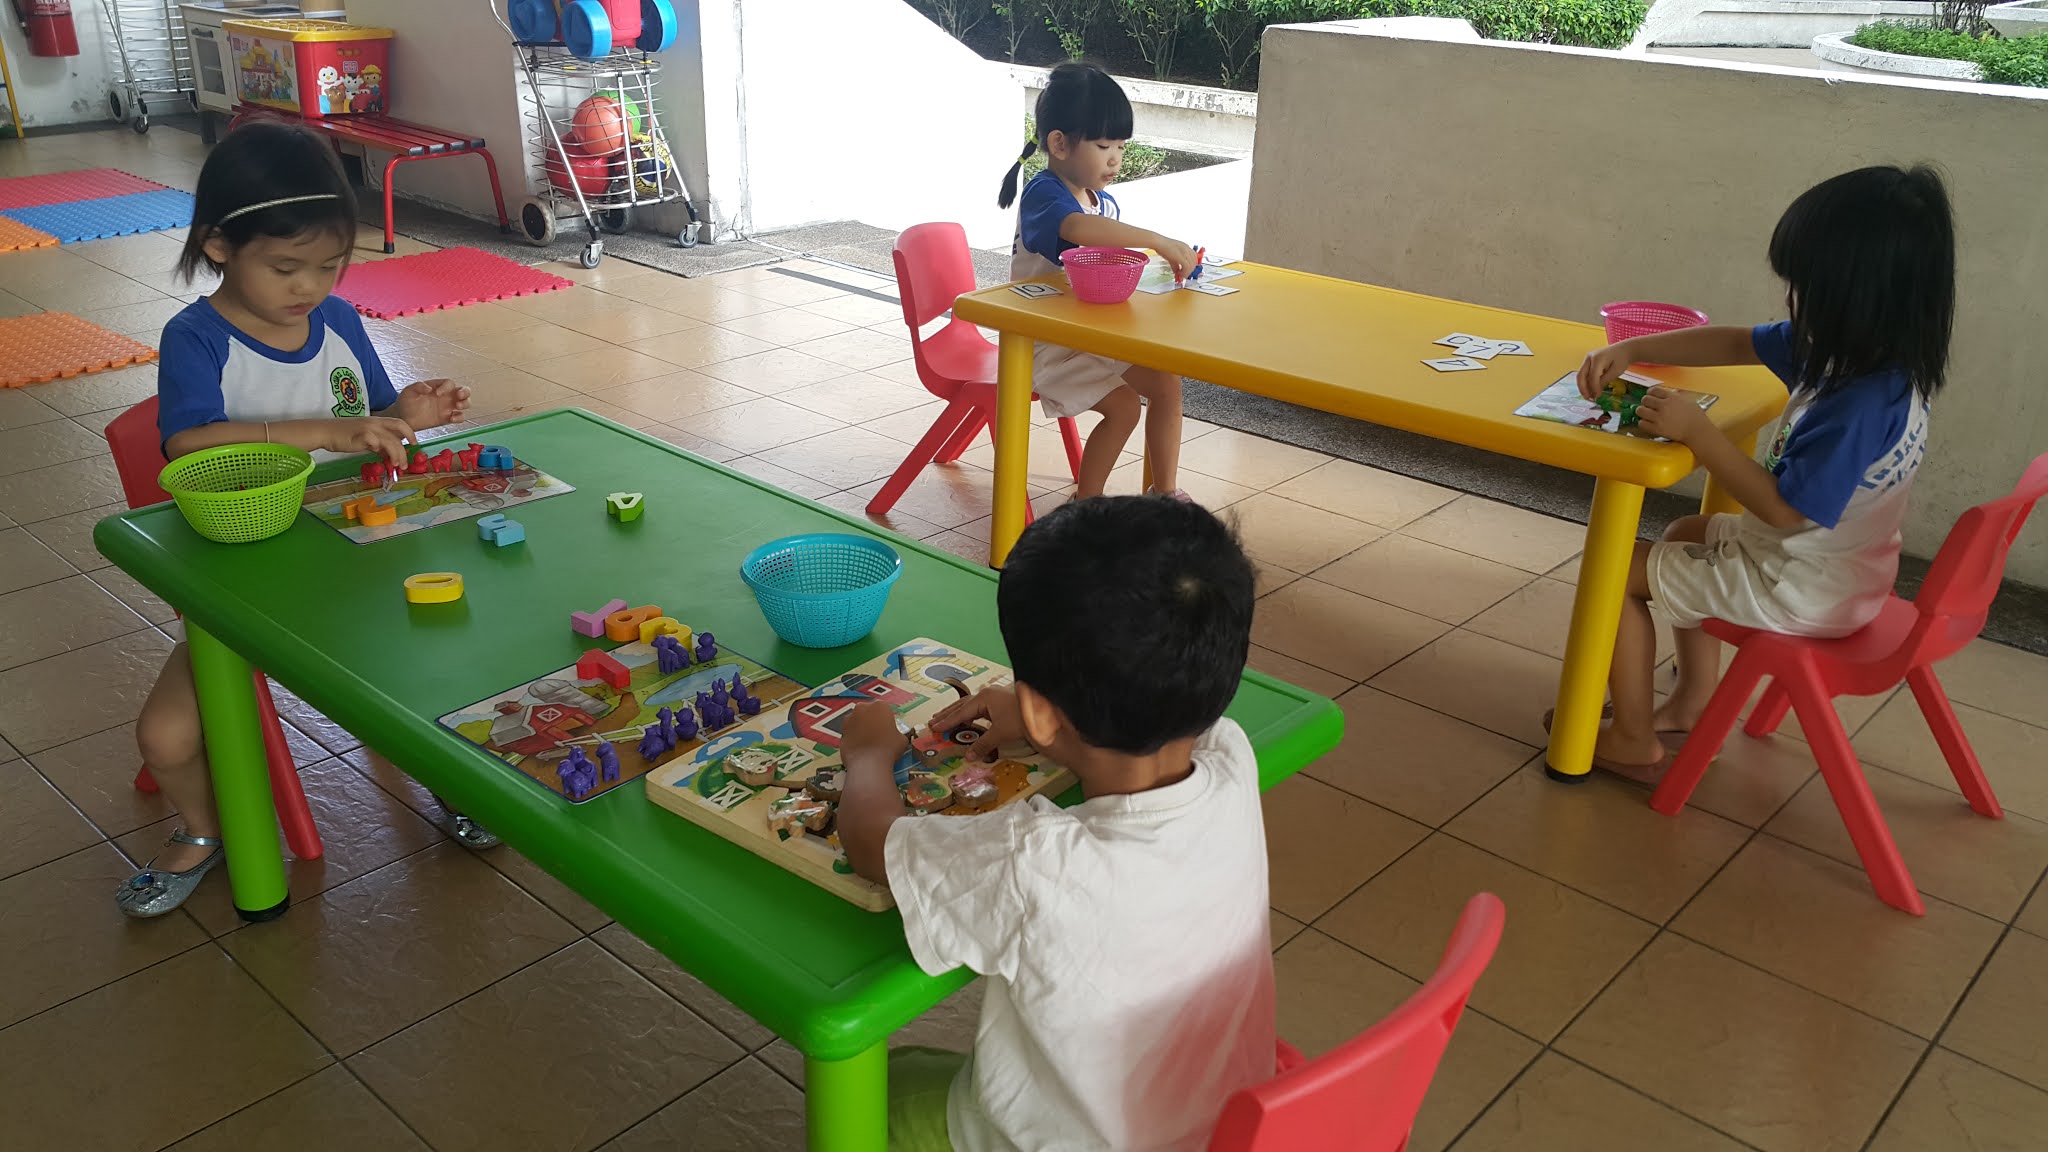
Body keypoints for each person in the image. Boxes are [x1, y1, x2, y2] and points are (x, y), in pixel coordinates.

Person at [119, 121, 492, 919]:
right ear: (219, 245)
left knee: (441, 674)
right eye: (286, 268)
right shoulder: (197, 339)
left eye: (329, 265)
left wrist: (407, 414)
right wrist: (322, 431)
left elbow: (372, 419)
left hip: (357, 567)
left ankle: (454, 780)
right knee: (166, 739)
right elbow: (187, 441)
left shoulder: (341, 322)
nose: (309, 288)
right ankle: (205, 828)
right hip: (243, 580)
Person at [836, 496, 1273, 1151]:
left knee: (880, 1096)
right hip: (1223, 1131)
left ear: (1043, 714)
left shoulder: (1036, 863)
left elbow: (874, 845)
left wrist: (869, 755)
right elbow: (1154, 725)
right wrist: (1043, 716)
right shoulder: (1232, 759)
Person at [1569, 164, 1953, 781]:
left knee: (1613, 571)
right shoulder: (1871, 360)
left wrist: (1698, 432)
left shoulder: (1853, 404)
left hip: (1799, 584)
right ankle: (1693, 702)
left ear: (1856, 295)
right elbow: (1735, 343)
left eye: (1803, 286)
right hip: (1846, 570)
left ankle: (1632, 738)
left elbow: (1783, 510)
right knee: (1686, 532)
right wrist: (1635, 348)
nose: (1790, 299)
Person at [997, 62, 1197, 502]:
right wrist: (1156, 240)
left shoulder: (1101, 201)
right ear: (1059, 144)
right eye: (1104, 145)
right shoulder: (1044, 194)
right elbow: (1078, 230)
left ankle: (1164, 495)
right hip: (1042, 343)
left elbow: (1106, 263)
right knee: (1124, 408)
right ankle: (1086, 506)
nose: (1115, 159)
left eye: (1121, 147)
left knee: (1167, 382)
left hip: (1089, 334)